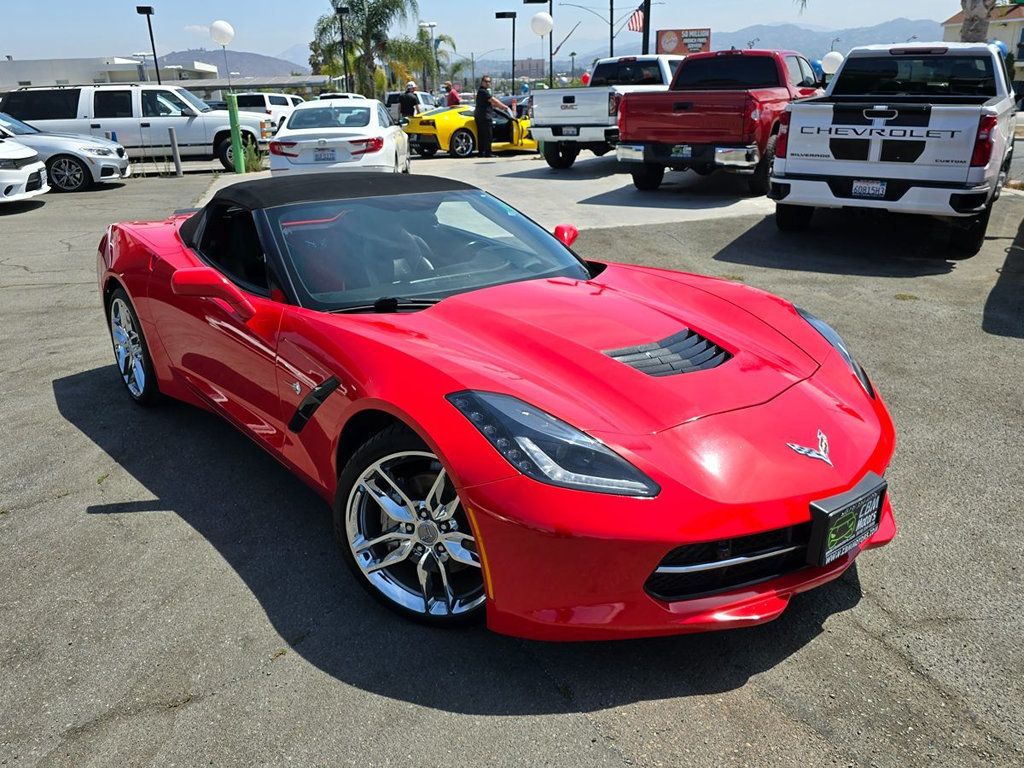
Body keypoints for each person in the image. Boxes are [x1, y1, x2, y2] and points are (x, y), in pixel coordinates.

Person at [474, 75, 513, 158]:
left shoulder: (481, 91)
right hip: (485, 117)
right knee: (488, 135)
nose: (488, 83)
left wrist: (499, 107)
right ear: (482, 82)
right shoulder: (483, 92)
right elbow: (493, 100)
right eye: (486, 81)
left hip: (480, 116)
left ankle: (481, 152)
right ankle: (488, 153)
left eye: (489, 81)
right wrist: (504, 106)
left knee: (482, 135)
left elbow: (491, 103)